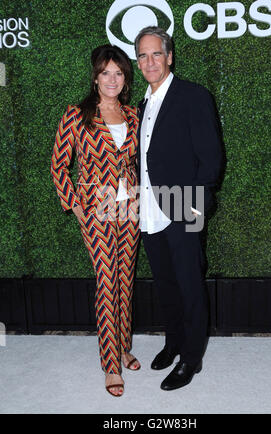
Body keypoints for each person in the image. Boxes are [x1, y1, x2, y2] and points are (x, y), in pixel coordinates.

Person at [135, 27, 222, 391]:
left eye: (156, 54)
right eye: (143, 55)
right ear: (137, 62)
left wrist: (195, 210)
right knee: (166, 284)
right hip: (151, 209)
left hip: (182, 205)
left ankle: (191, 358)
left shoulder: (193, 96)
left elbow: (212, 159)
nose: (150, 61)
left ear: (169, 56)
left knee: (188, 284)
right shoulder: (141, 103)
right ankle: (173, 342)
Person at [51, 44, 140, 397]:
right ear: (95, 76)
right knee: (106, 282)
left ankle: (123, 345)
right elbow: (60, 166)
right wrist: (77, 208)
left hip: (130, 207)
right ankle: (110, 365)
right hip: (96, 209)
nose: (112, 79)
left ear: (125, 77)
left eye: (118, 72)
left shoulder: (133, 115)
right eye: (106, 72)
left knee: (125, 280)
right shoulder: (77, 115)